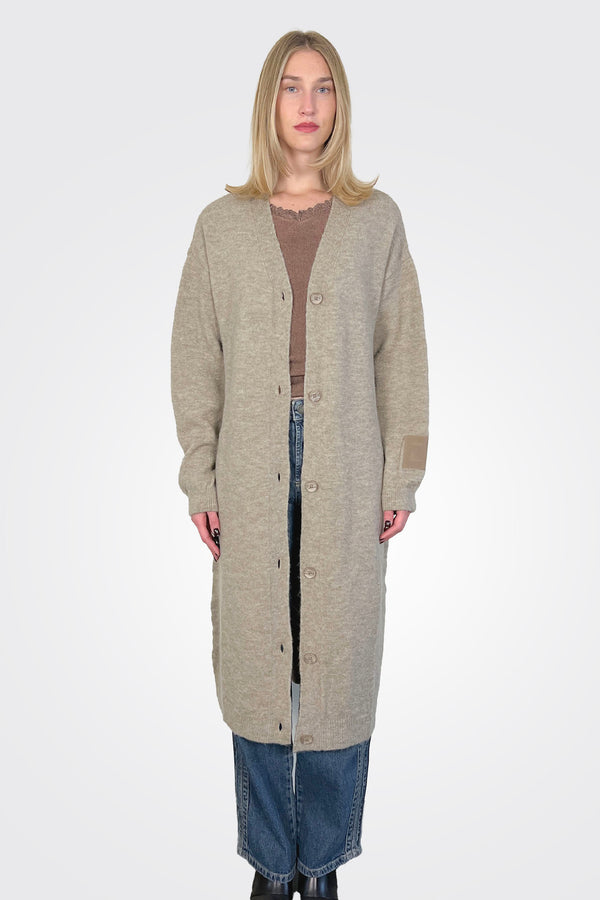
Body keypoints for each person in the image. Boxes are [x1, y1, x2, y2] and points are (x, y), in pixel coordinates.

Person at [170, 30, 429, 900]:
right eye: (291, 86)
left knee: (338, 666)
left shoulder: (376, 221)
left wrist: (403, 474)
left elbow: (403, 355)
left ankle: (320, 867)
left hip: (347, 463)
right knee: (256, 665)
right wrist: (200, 476)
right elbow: (194, 361)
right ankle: (270, 866)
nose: (308, 104)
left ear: (340, 104)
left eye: (323, 87)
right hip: (249, 466)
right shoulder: (220, 227)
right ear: (269, 103)